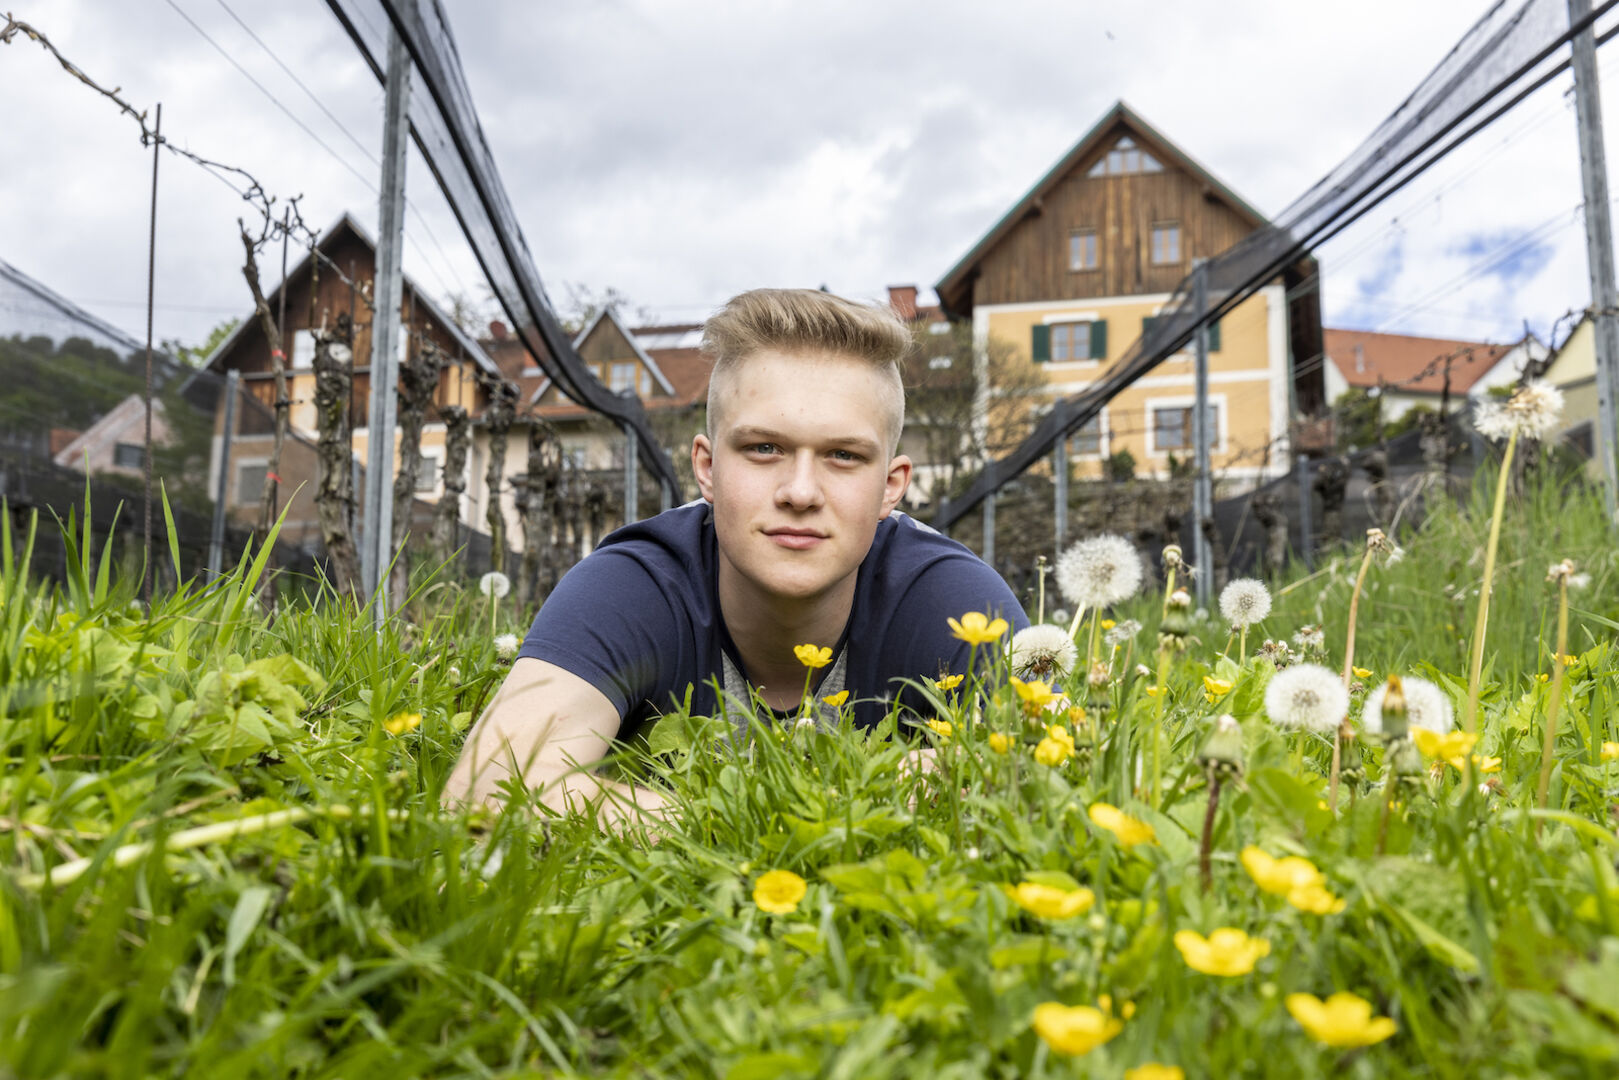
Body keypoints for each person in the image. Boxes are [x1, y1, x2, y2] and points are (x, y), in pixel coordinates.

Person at [443, 288, 1027, 828]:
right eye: (763, 448)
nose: (800, 492)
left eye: (843, 456)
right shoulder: (636, 583)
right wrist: (767, 825)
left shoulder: (954, 602)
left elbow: (1051, 775)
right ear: (706, 468)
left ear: (892, 486)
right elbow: (489, 787)